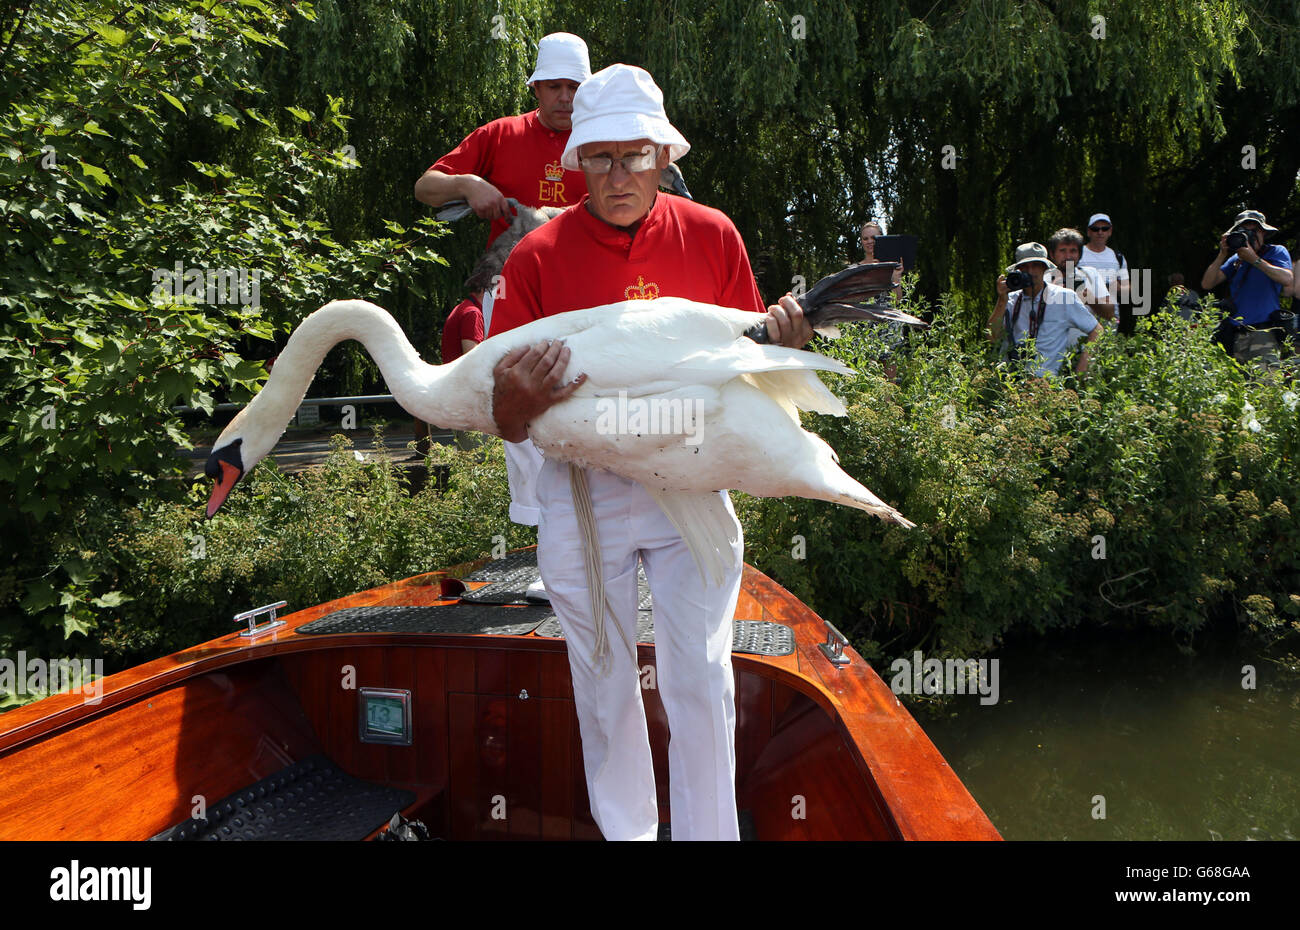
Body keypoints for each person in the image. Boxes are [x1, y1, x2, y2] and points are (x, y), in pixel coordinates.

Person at [487, 64, 811, 841]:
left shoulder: (714, 235)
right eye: (600, 157)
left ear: (665, 155)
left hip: (690, 481)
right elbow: (502, 418)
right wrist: (513, 405)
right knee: (601, 681)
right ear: (578, 160)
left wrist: (788, 349)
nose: (617, 176)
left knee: (700, 673)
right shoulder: (535, 257)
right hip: (582, 491)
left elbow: (745, 379)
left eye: (635, 156)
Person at [415, 32, 592, 526]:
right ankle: (541, 529)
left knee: (592, 395)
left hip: (587, 291)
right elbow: (426, 187)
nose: (565, 97)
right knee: (515, 397)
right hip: (511, 289)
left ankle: (602, 523)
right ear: (535, 88)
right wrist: (469, 184)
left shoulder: (602, 141)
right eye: (554, 86)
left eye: (574, 87)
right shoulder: (500, 135)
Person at [988, 242, 1102, 377]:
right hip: (1010, 381)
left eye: (1035, 265)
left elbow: (1097, 330)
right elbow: (991, 338)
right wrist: (1001, 300)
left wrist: (1082, 369)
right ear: (1018, 270)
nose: (1030, 271)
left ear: (1044, 267)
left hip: (1047, 383)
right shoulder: (1010, 300)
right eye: (1025, 266)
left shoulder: (1063, 297)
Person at [1200, 209, 1294, 368]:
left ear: (1264, 232)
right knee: (1238, 382)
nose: (1250, 235)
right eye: (1244, 231)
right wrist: (1222, 254)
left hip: (1264, 332)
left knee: (1265, 381)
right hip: (1237, 334)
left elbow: (1287, 278)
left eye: (1254, 231)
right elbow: (1207, 284)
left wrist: (1254, 260)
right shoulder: (1236, 259)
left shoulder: (1275, 252)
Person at [1046, 227, 1113, 324]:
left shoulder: (1091, 274)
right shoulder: (1044, 278)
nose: (1068, 256)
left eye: (1073, 251)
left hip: (1086, 333)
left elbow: (1110, 313)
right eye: (1062, 251)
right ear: (1052, 254)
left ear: (1080, 254)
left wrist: (1089, 298)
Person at [1077, 212, 1130, 308]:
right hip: (1082, 313)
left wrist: (1118, 288)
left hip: (1110, 314)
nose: (1100, 232)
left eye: (1105, 229)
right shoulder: (1077, 254)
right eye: (1095, 229)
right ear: (1088, 232)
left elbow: (1127, 288)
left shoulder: (1118, 257)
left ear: (1110, 231)